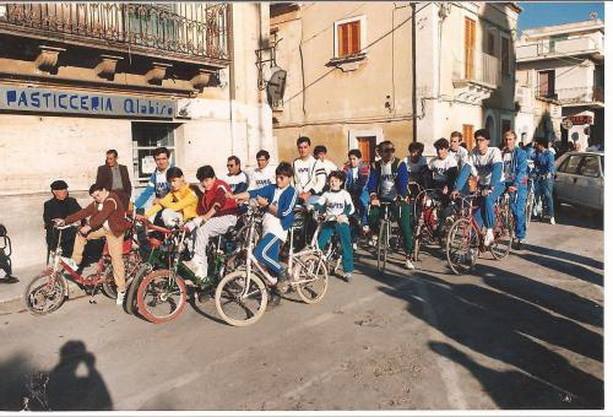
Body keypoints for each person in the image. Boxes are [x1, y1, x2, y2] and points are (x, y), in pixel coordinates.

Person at [231, 162, 298, 303]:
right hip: (267, 229)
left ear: (290, 178)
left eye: (282, 178)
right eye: (277, 177)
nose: (278, 180)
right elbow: (253, 193)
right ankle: (276, 295)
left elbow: (285, 213)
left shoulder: (292, 192)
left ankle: (284, 273)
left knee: (259, 254)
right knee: (269, 266)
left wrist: (266, 205)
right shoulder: (272, 188)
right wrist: (234, 196)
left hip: (278, 230)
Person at [59, 184, 131, 305]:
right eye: (94, 197)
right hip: (105, 229)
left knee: (116, 259)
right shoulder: (98, 202)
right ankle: (75, 261)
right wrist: (65, 220)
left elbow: (102, 217)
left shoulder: (111, 200)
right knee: (80, 234)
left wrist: (88, 226)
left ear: (104, 190)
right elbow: (84, 212)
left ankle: (121, 290)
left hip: (115, 232)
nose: (97, 198)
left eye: (98, 195)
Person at [183, 166, 240, 281]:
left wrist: (205, 217)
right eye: (202, 181)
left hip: (228, 217)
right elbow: (201, 211)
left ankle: (198, 263)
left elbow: (219, 202)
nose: (204, 184)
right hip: (215, 220)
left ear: (213, 177)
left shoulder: (220, 185)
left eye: (207, 180)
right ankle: (200, 274)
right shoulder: (206, 194)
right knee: (191, 237)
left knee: (203, 229)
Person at [451, 129, 505, 248]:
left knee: (487, 199)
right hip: (483, 185)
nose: (479, 143)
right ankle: (473, 246)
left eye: (482, 140)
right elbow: (465, 171)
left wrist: (491, 187)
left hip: (497, 184)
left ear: (488, 141)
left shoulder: (494, 152)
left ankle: (490, 230)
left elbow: (497, 169)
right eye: (477, 140)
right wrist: (457, 188)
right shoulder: (473, 153)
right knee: (475, 213)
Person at [366, 140, 415, 270]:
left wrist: (402, 196)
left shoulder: (399, 164)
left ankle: (408, 256)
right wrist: (373, 196)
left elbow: (403, 182)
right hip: (382, 198)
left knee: (405, 227)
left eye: (392, 150)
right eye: (386, 150)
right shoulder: (376, 166)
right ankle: (376, 233)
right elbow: (372, 182)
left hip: (398, 198)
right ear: (380, 152)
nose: (390, 153)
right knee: (371, 214)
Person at [313, 171, 355, 282]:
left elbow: (351, 208)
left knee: (346, 244)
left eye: (336, 181)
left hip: (341, 221)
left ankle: (348, 271)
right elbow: (320, 204)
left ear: (341, 182)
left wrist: (343, 215)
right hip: (329, 221)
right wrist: (313, 207)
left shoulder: (345, 194)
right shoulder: (326, 194)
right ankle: (318, 264)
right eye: (331, 181)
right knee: (320, 242)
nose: (333, 183)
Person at [501, 131, 529, 249]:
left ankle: (520, 236)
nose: (508, 142)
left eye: (511, 139)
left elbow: (522, 170)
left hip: (519, 184)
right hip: (505, 182)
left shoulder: (521, 153)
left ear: (515, 140)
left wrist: (516, 184)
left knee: (517, 211)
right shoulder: (502, 153)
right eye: (506, 139)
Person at [43, 180, 82, 260]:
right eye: (62, 190)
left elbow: (81, 214)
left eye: (65, 189)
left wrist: (78, 221)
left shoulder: (72, 201)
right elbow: (47, 220)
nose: (65, 191)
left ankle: (71, 264)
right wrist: (55, 222)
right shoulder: (49, 204)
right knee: (53, 235)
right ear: (54, 192)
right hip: (57, 233)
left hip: (71, 231)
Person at [343, 149, 371, 237]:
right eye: (350, 159)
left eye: (354, 159)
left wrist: (357, 193)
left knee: (363, 201)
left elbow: (364, 181)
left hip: (363, 189)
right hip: (351, 190)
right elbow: (343, 179)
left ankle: (365, 223)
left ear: (359, 159)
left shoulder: (364, 167)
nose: (352, 161)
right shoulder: (347, 168)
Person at [293, 136, 327, 202]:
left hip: (314, 196)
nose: (303, 150)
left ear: (309, 147)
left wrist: (309, 193)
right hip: (298, 197)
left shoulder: (317, 162)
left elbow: (321, 182)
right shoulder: (294, 163)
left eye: (305, 147)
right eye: (300, 148)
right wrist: (298, 193)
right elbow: (292, 181)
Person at [533, 137, 556, 225]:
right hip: (539, 176)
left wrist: (548, 174)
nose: (536, 146)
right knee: (537, 193)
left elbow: (550, 166)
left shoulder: (549, 154)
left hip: (547, 177)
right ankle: (539, 212)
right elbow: (535, 164)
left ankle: (551, 215)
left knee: (547, 195)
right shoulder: (537, 154)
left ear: (541, 145)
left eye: (537, 144)